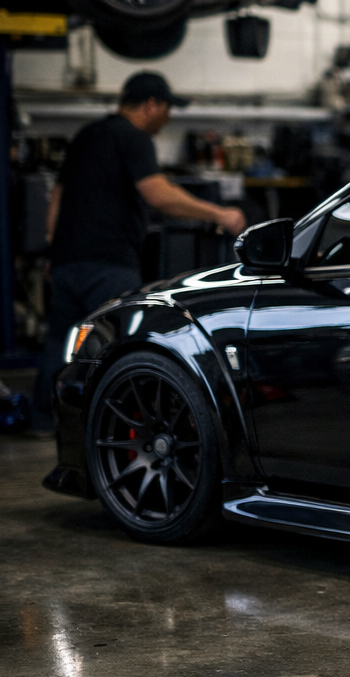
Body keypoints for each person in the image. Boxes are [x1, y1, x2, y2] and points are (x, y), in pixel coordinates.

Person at [31, 72, 246, 434]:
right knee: (119, 346)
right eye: (167, 109)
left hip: (68, 261)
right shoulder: (134, 138)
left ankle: (44, 421)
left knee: (61, 341)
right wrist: (219, 214)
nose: (168, 117)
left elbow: (58, 195)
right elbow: (158, 194)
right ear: (150, 105)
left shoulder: (87, 134)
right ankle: (117, 427)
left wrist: (55, 249)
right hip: (109, 262)